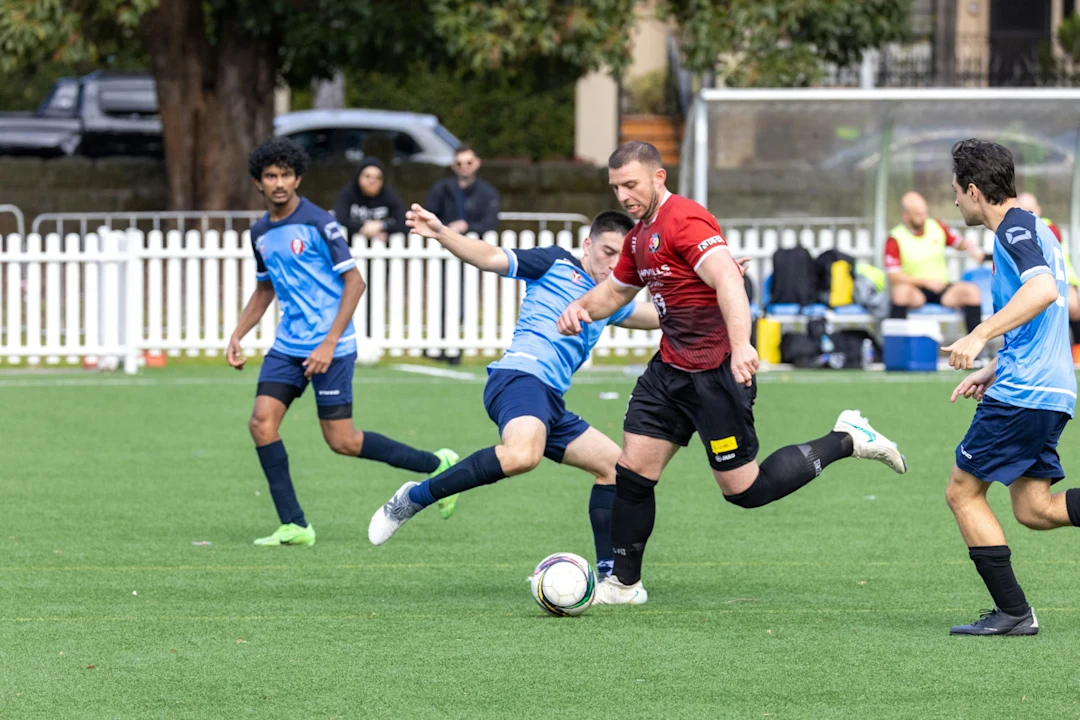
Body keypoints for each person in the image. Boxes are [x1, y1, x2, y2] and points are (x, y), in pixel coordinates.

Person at [557, 141, 907, 605]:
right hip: (669, 370)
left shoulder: (685, 219)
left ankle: (846, 438)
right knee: (633, 470)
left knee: (744, 490)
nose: (623, 196)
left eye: (631, 184)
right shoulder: (639, 237)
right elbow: (616, 292)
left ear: (659, 177)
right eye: (616, 187)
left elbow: (728, 279)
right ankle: (624, 584)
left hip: (716, 373)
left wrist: (741, 345)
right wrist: (580, 307)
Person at [367, 206, 660, 579]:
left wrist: (712, 296)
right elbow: (490, 257)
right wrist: (441, 233)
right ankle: (413, 498)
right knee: (522, 455)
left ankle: (610, 577)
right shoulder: (555, 263)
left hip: (549, 401)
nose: (614, 264)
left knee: (615, 470)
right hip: (520, 377)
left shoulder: (608, 300)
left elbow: (656, 316)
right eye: (608, 252)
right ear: (588, 245)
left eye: (623, 257)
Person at [227, 137, 457, 547]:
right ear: (258, 182)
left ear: (297, 179)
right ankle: (295, 525)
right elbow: (265, 288)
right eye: (270, 176)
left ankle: (436, 464)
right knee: (261, 423)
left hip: (331, 346)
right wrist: (237, 334)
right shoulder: (259, 232)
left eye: (285, 175)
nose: (278, 183)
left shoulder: (319, 223)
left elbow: (355, 282)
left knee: (343, 441)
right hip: (288, 346)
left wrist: (329, 343)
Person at [941, 140, 1078, 636]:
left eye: (957, 192)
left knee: (962, 492)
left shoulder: (1013, 230)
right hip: (1050, 389)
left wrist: (979, 335)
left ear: (974, 191)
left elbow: (1042, 292)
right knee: (1034, 508)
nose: (955, 201)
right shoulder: (1036, 228)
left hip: (1027, 394)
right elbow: (1039, 321)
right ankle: (1013, 612)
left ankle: (1015, 612)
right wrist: (995, 367)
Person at [886, 191, 986, 333]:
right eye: (918, 215)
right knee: (899, 292)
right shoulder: (895, 238)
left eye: (925, 213)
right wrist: (925, 282)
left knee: (971, 292)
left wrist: (969, 247)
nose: (924, 218)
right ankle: (896, 342)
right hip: (915, 291)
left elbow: (958, 243)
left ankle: (975, 342)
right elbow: (893, 276)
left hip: (941, 288)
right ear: (906, 216)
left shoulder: (937, 226)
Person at [1016, 191, 1080, 327]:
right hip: (1039, 285)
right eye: (1022, 211)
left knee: (1073, 313)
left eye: (1030, 210)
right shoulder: (1015, 232)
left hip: (1064, 282)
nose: (1027, 214)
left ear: (1038, 210)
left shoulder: (1047, 227)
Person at [424, 145, 501, 236]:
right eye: (459, 163)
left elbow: (490, 223)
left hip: (477, 241)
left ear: (477, 162)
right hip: (445, 239)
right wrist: (449, 226)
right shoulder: (441, 188)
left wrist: (466, 227)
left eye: (469, 163)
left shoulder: (488, 192)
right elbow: (429, 216)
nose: (464, 167)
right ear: (453, 165)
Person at [332, 157, 406, 241]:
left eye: (378, 177)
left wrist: (382, 225)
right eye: (367, 176)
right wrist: (363, 228)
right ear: (359, 177)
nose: (372, 181)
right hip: (351, 244)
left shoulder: (390, 196)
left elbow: (403, 222)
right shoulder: (347, 194)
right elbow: (340, 218)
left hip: (383, 245)